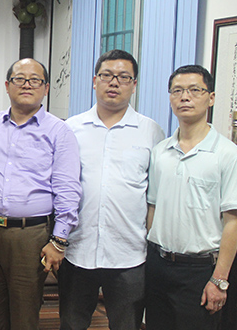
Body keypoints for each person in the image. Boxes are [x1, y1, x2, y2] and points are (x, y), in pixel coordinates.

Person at [59, 50, 165, 330]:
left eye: (123, 77)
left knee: (126, 325)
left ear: (134, 84)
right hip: (78, 250)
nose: (114, 82)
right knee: (71, 324)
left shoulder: (151, 131)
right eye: (106, 75)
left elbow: (155, 195)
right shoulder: (71, 128)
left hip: (129, 254)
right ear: (94, 80)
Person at [0, 58, 81, 330]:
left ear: (46, 88)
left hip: (30, 235)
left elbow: (68, 188)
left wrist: (59, 240)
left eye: (35, 80)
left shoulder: (59, 131)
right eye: (19, 79)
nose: (27, 84)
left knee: (24, 315)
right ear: (7, 85)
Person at [145, 64, 237, 330]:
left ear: (210, 98)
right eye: (177, 91)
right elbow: (152, 208)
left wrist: (219, 280)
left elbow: (234, 222)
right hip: (157, 266)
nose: (185, 97)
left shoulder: (228, 155)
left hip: (200, 271)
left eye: (194, 90)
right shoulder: (160, 152)